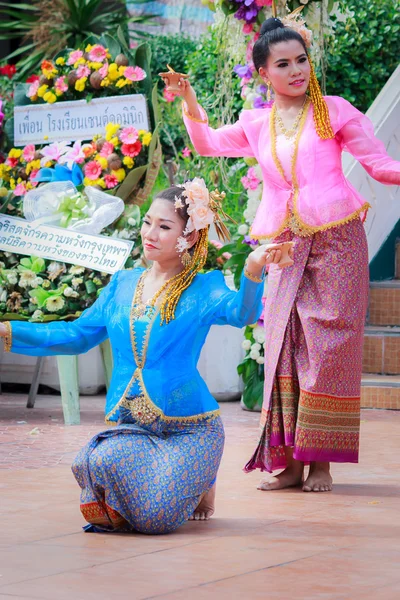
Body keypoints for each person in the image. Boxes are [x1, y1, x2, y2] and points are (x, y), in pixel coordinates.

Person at [169, 16, 400, 493]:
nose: (297, 70)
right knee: (283, 347)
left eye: (302, 60)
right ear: (263, 73)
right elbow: (208, 144)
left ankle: (321, 464)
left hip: (337, 242)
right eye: (284, 64)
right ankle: (290, 463)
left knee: (328, 348)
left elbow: (378, 164)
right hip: (283, 247)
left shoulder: (334, 111)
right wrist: (189, 100)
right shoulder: (256, 123)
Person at [0, 179, 290, 533]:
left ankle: (200, 482)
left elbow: (240, 313)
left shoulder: (203, 287)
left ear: (191, 237)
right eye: (147, 221)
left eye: (165, 226)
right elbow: (76, 335)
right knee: (96, 461)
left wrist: (254, 269)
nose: (150, 233)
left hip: (190, 431)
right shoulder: (122, 284)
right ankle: (162, 488)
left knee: (157, 519)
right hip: (135, 427)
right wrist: (8, 331)